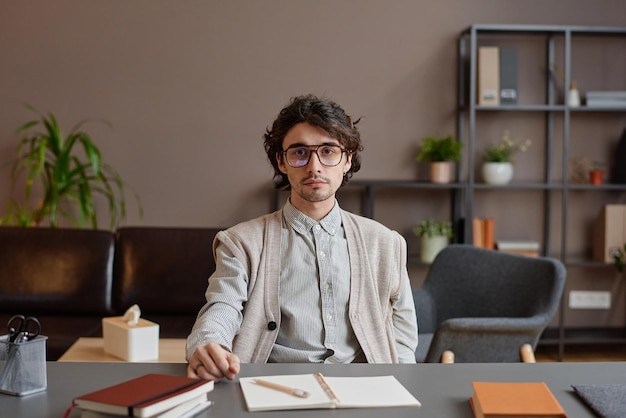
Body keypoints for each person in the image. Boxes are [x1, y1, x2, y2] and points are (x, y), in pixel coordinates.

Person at [186, 94, 418, 382]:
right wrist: (209, 344)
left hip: (361, 389)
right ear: (281, 161)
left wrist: (404, 384)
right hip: (272, 387)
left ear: (347, 160)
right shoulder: (241, 242)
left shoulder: (386, 243)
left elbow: (403, 334)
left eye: (328, 151)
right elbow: (223, 305)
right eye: (299, 153)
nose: (314, 166)